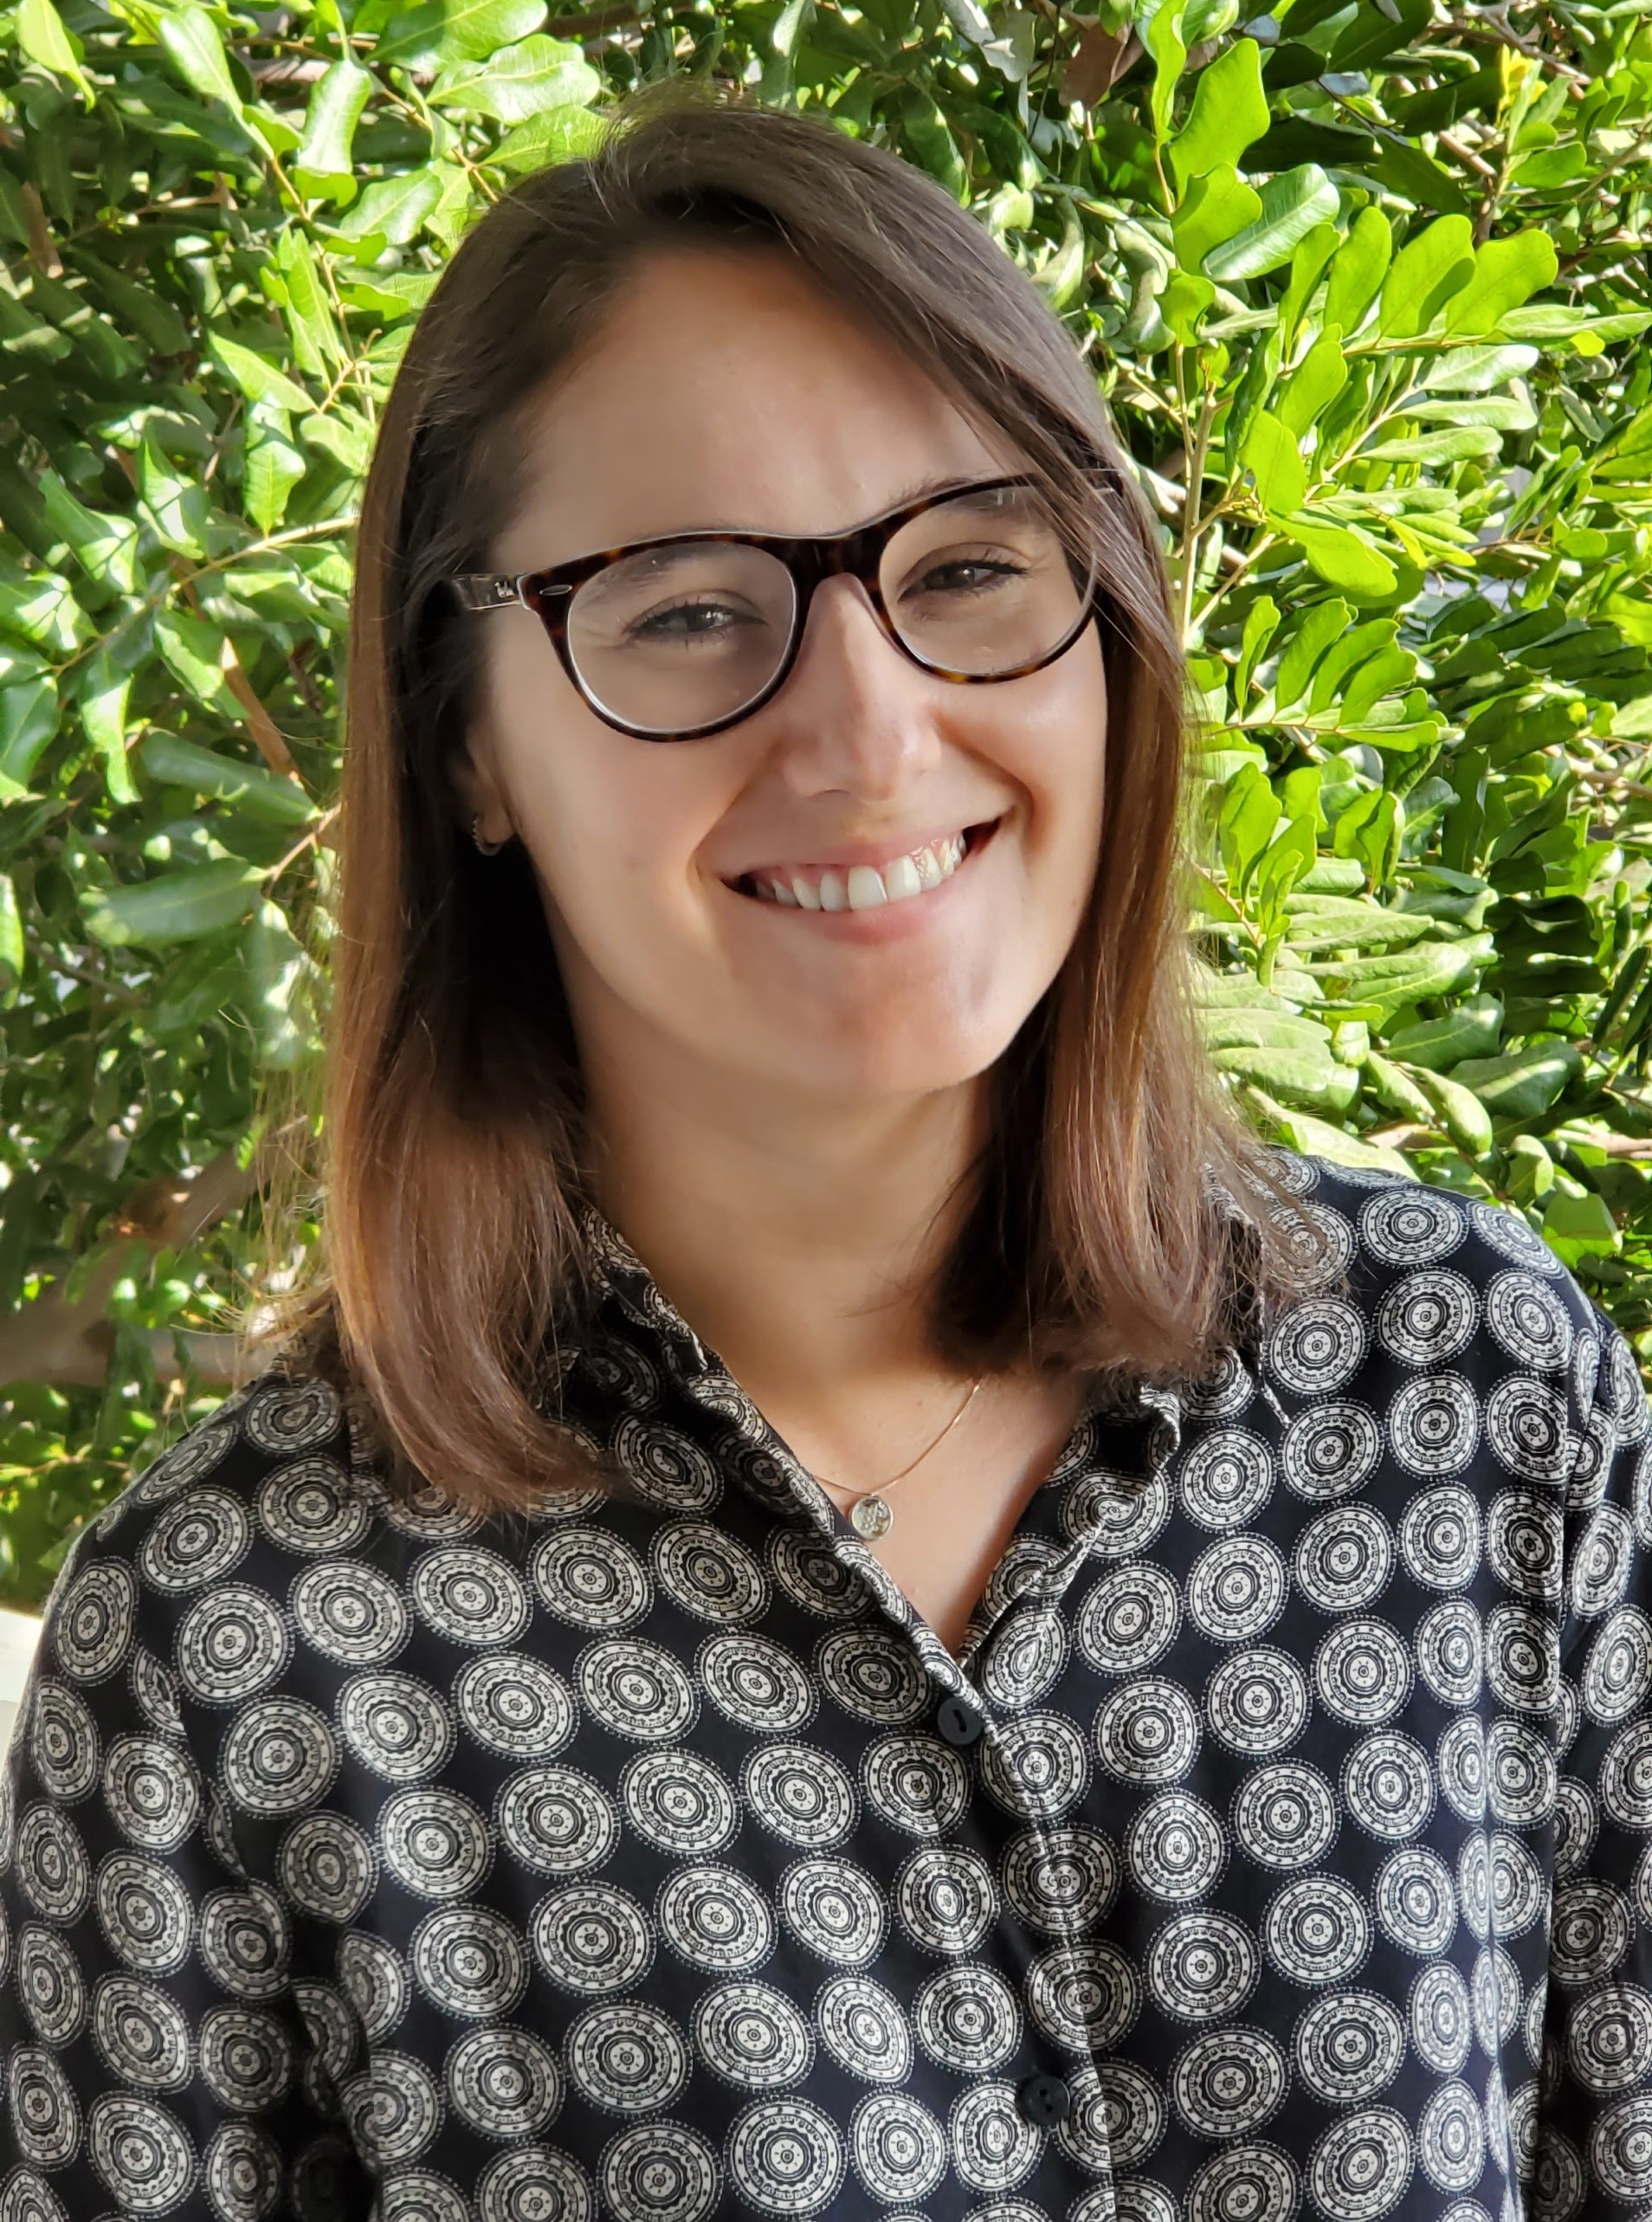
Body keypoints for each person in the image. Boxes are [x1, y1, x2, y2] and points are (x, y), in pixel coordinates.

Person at [0, 81, 1647, 2222]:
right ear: (467, 743)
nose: (871, 729)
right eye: (685, 608)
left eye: (968, 567)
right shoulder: (243, 1637)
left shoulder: (1468, 1389)